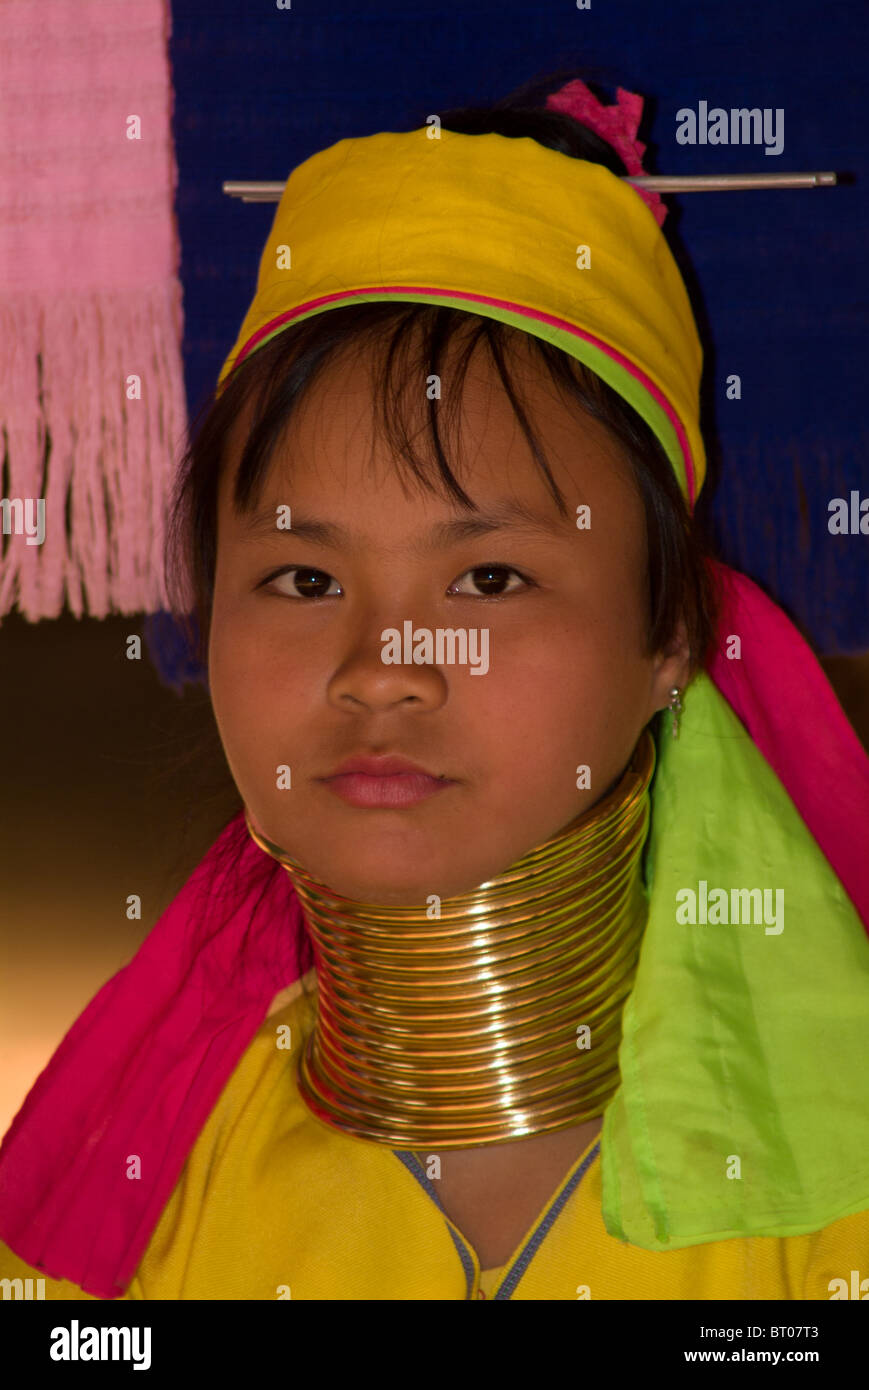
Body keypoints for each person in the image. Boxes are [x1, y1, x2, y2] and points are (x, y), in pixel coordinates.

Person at [1, 74, 868, 1303]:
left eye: (488, 577)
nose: (380, 669)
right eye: (302, 578)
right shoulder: (126, 1223)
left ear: (669, 632)